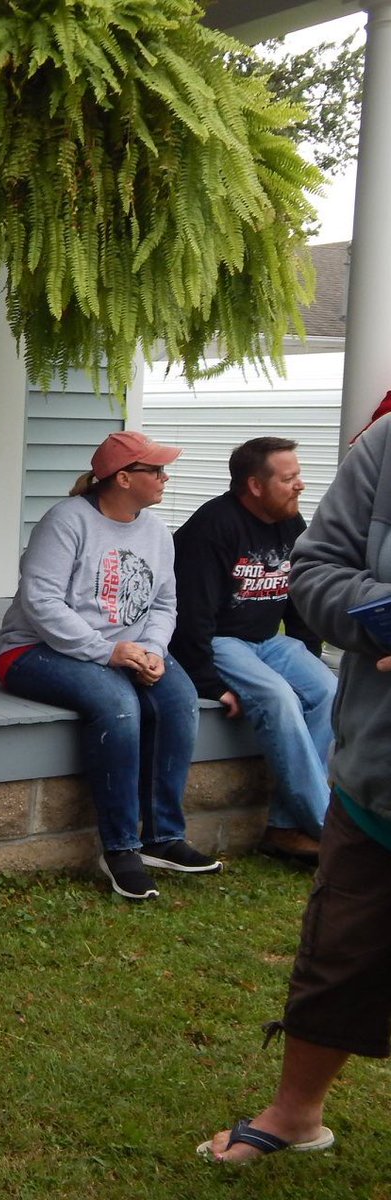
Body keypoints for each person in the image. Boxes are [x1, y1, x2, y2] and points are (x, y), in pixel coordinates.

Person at [197, 413, 391, 1163]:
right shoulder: (383, 447)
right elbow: (314, 576)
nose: (300, 482)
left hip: (271, 652)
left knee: (297, 691)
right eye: (286, 475)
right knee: (337, 953)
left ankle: (292, 818)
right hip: (378, 781)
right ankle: (294, 1113)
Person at [0, 430, 221, 901]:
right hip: (33, 649)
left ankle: (164, 837)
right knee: (118, 704)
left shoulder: (156, 531)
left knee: (178, 700)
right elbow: (41, 602)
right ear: (122, 478)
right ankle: (120, 849)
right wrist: (106, 651)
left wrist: (154, 649)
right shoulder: (67, 522)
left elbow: (163, 604)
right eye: (154, 470)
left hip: (126, 651)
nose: (164, 477)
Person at [170, 437, 338, 865]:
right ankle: (331, 831)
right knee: (278, 699)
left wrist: (307, 651)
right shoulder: (213, 527)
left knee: (328, 693)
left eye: (298, 475)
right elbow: (192, 619)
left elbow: (300, 596)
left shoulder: (290, 522)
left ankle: (285, 828)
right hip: (221, 641)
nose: (300, 485)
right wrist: (208, 682)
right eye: (289, 478)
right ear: (255, 485)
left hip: (271, 641)